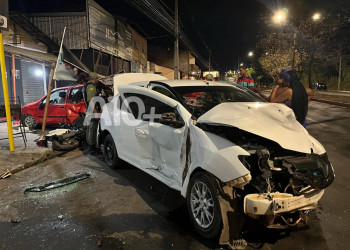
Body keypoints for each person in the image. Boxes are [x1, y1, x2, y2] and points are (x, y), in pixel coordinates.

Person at [84, 72, 101, 154]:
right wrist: (96, 113)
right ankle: (92, 148)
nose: (97, 80)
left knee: (90, 129)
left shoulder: (88, 85)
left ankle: (90, 146)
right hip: (92, 111)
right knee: (92, 129)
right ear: (95, 79)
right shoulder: (91, 87)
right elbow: (90, 101)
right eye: (97, 78)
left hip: (89, 110)